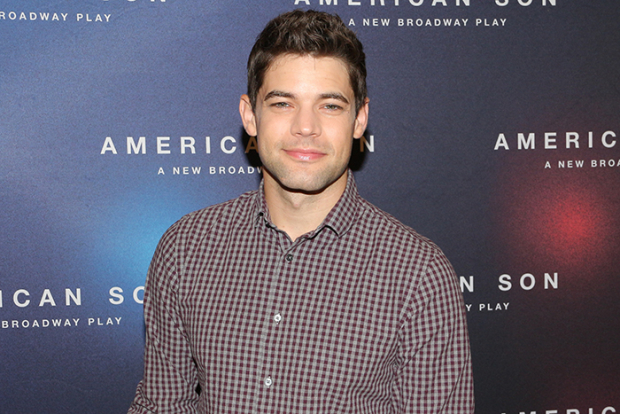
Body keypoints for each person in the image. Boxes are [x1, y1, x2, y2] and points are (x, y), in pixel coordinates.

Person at [128, 9, 474, 414]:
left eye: (330, 106)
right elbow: (162, 406)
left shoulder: (419, 275)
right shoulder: (186, 249)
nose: (305, 126)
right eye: (282, 103)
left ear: (359, 119)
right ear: (249, 115)